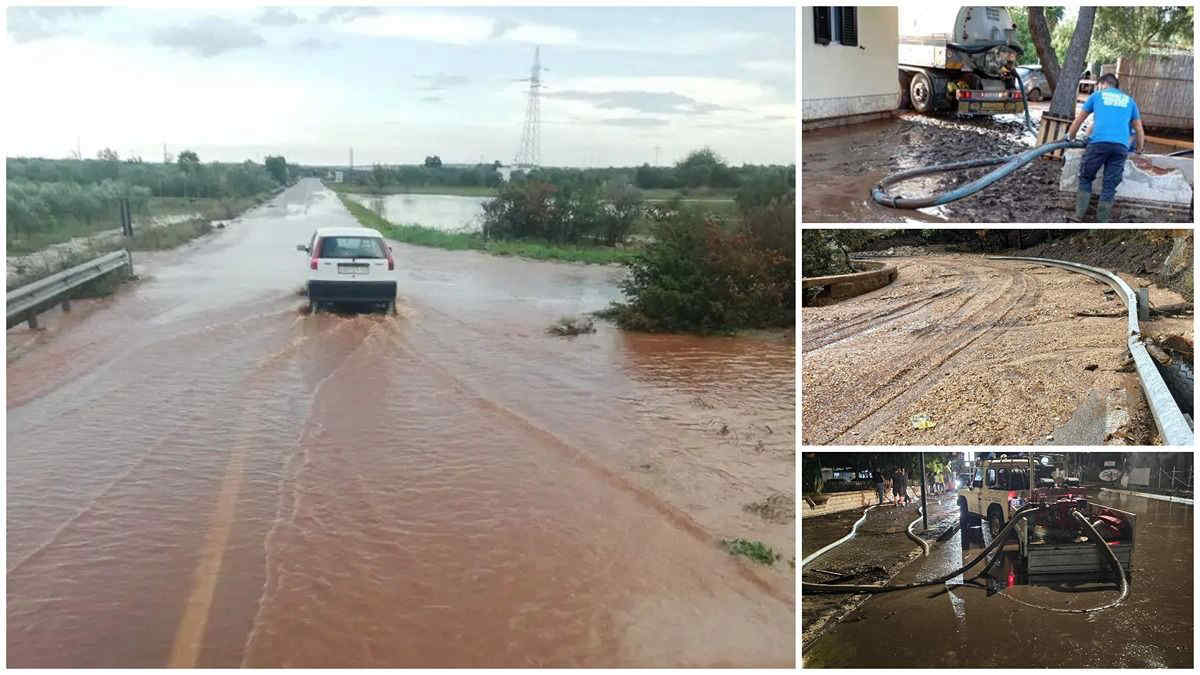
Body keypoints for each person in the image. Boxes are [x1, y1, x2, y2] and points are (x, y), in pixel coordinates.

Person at [1066, 72, 1146, 223]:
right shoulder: (1130, 101)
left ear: (1102, 84)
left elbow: (1080, 119)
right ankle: (1102, 222)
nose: (1098, 88)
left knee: (1086, 177)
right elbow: (1139, 129)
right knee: (1110, 185)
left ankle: (1079, 216)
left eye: (1098, 86)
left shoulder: (1097, 96)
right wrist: (1140, 149)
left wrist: (1070, 137)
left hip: (1098, 144)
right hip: (1121, 147)